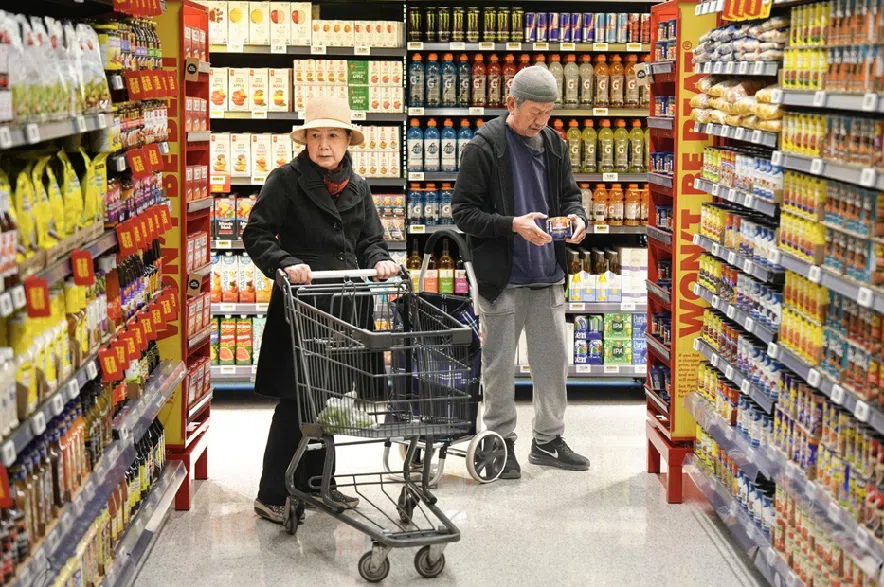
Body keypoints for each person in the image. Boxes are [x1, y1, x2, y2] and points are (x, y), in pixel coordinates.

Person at [244, 96, 399, 523]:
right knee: (297, 402)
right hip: (302, 309)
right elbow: (257, 235)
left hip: (347, 308)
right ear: (306, 140)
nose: (324, 144)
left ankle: (319, 484)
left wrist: (380, 258)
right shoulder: (285, 180)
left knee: (331, 400)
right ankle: (273, 493)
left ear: (348, 140)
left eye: (333, 135)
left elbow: (370, 239)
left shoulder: (359, 186)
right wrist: (285, 263)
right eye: (316, 135)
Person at [451, 66, 590, 480]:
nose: (541, 121)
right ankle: (500, 443)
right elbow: (463, 213)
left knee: (552, 366)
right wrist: (513, 224)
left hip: (547, 275)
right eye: (534, 112)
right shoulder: (485, 147)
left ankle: (548, 442)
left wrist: (578, 219)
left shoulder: (554, 145)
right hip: (503, 279)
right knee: (498, 368)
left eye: (548, 113)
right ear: (511, 103)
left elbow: (569, 196)